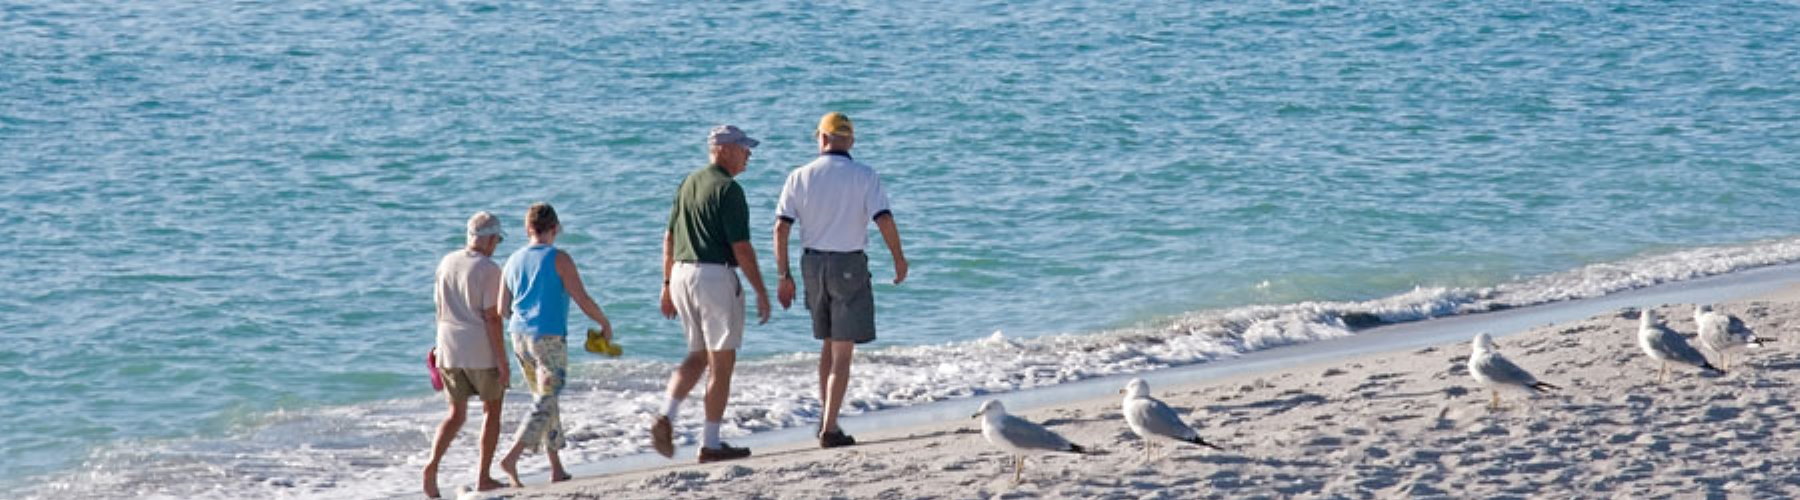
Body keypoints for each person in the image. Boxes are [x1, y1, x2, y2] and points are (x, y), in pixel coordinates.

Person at [773, 112, 908, 448]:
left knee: (828, 344)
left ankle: (826, 416)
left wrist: (783, 274)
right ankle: (830, 428)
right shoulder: (864, 175)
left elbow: (781, 228)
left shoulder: (799, 176)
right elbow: (883, 219)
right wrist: (898, 257)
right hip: (848, 263)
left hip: (812, 264)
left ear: (821, 139)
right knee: (843, 352)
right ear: (850, 141)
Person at [651, 125, 773, 463]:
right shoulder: (729, 190)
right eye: (744, 149)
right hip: (715, 275)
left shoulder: (689, 182)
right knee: (722, 360)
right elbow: (742, 248)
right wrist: (761, 289)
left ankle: (667, 413)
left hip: (681, 274)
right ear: (724, 149)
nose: (748, 155)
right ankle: (711, 442)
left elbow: (669, 238)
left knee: (697, 354)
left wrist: (665, 285)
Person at [496, 202, 615, 486]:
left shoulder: (512, 260)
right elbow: (581, 297)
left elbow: (502, 308)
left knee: (545, 400)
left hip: (518, 337)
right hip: (547, 336)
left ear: (528, 229)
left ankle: (556, 468)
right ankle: (511, 457)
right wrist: (604, 324)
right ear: (555, 228)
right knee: (546, 400)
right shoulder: (559, 258)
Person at [422, 211, 510, 498]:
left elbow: (438, 308)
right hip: (479, 349)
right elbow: (492, 319)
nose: (496, 245)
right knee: (492, 410)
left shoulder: (446, 262)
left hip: (448, 346)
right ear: (488, 240)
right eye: (496, 240)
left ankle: (432, 466)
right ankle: (483, 476)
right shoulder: (489, 269)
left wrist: (437, 348)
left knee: (455, 414)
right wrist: (502, 360)